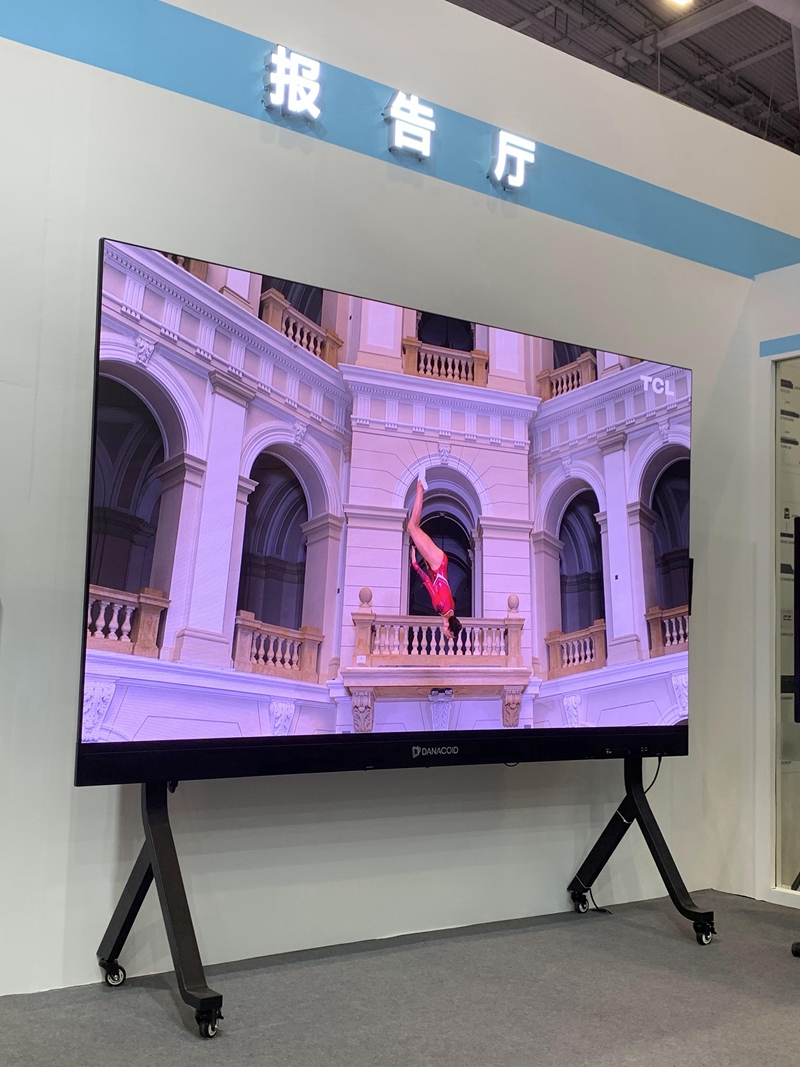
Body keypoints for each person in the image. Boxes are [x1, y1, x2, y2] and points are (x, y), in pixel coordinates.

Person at [407, 473, 463, 642]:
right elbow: (428, 583)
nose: (447, 635)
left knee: (413, 527)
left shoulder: (452, 608)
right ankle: (420, 487)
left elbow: (438, 583)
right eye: (448, 634)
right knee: (412, 527)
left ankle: (420, 487)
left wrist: (427, 564)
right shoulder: (441, 608)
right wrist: (415, 563)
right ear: (447, 627)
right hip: (437, 563)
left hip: (439, 563)